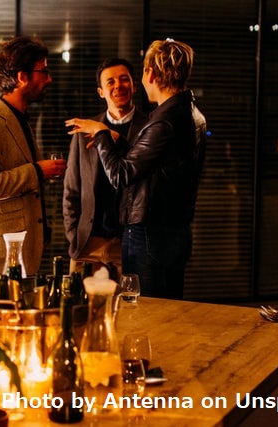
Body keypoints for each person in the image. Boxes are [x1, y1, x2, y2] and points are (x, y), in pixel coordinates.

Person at [65, 39, 207, 299]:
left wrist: (102, 134)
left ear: (149, 74)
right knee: (164, 308)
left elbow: (121, 175)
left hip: (151, 234)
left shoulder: (162, 122)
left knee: (146, 312)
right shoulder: (191, 114)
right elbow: (158, 168)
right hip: (170, 232)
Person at [0, 35, 66, 286]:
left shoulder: (20, 118)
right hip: (1, 256)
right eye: (43, 72)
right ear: (22, 77)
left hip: (22, 251)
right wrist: (37, 171)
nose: (49, 79)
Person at [62, 58, 149, 277]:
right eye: (110, 82)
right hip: (87, 243)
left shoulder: (149, 128)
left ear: (134, 86)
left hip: (128, 243)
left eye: (124, 79)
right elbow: (71, 190)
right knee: (78, 300)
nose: (118, 86)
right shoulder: (85, 131)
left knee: (130, 300)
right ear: (101, 92)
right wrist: (74, 235)